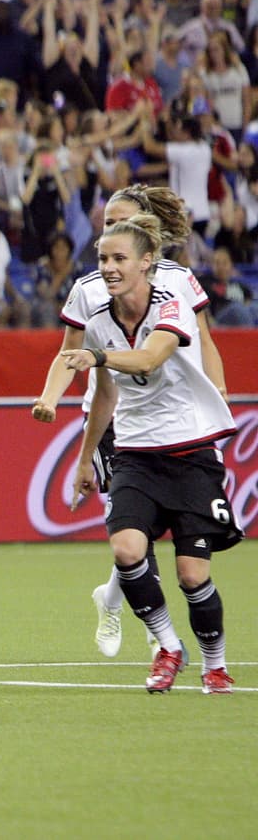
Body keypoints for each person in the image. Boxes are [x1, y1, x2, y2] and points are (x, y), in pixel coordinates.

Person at [32, 184, 228, 658]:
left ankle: (118, 598)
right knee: (130, 529)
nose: (112, 236)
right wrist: (49, 398)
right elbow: (70, 355)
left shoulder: (178, 282)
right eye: (106, 228)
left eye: (127, 224)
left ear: (148, 237)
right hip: (117, 414)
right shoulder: (88, 290)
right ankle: (158, 633)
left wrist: (219, 392)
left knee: (166, 543)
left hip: (180, 417)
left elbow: (202, 340)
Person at [63, 215, 241, 695]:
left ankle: (216, 664)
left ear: (147, 263)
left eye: (119, 259)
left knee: (191, 574)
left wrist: (96, 357)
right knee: (126, 549)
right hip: (136, 453)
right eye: (103, 259)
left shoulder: (172, 307)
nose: (109, 268)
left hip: (189, 450)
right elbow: (104, 397)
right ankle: (168, 646)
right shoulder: (99, 319)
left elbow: (150, 358)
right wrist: (84, 460)